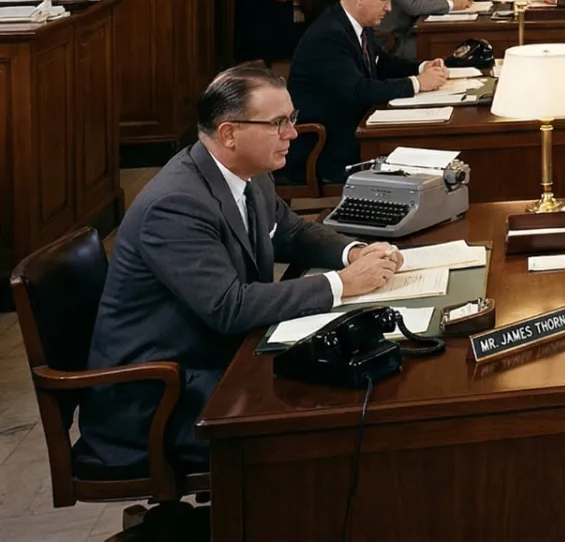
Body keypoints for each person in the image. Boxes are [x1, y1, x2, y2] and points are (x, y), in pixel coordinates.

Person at [76, 67, 403, 471]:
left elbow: (291, 231)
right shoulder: (175, 205)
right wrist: (342, 284)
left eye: (292, 118)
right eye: (278, 123)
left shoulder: (248, 172)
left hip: (220, 359)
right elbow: (229, 307)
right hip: (161, 399)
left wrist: (353, 252)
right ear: (229, 133)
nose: (292, 134)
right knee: (333, 424)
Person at [286, 0, 449, 183]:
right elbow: (358, 90)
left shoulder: (357, 24)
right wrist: (418, 83)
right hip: (328, 144)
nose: (389, 8)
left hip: (356, 124)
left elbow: (381, 63)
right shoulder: (329, 35)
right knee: (417, 149)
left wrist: (422, 67)